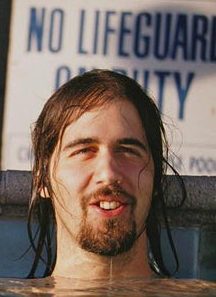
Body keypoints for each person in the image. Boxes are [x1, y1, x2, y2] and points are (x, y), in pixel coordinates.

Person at [27, 69, 185, 279]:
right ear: (42, 180)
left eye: (128, 151)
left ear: (156, 178)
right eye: (84, 151)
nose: (108, 174)